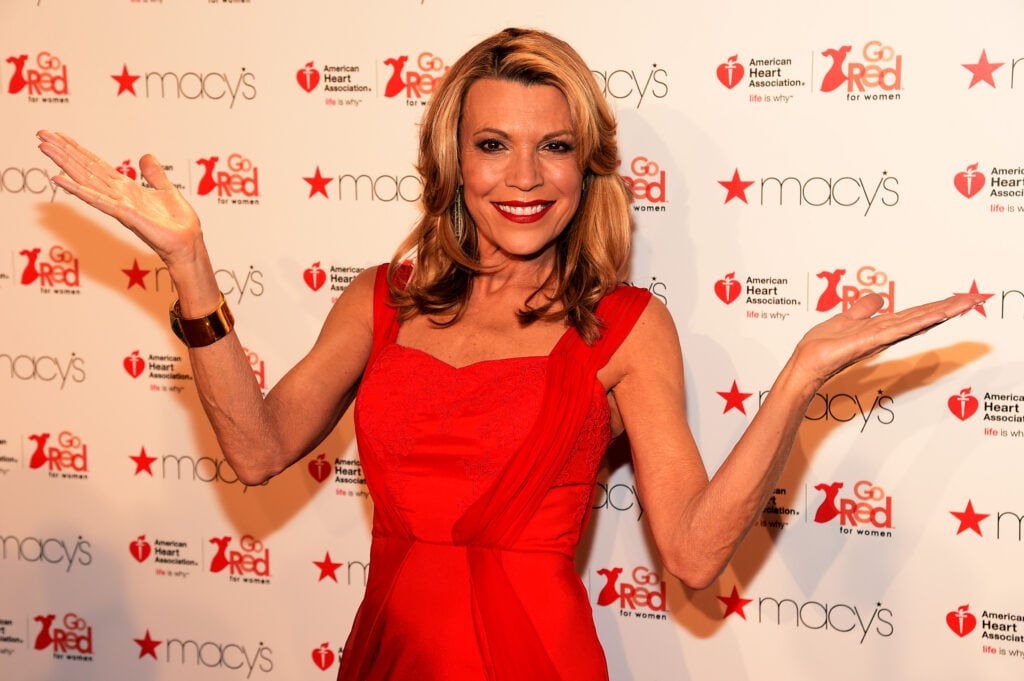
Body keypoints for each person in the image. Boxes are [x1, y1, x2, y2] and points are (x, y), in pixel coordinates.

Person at [37, 27, 981, 681]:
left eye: (554, 147)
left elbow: (693, 552)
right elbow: (254, 450)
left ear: (587, 166)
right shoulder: (382, 300)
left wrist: (800, 374)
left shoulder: (623, 325)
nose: (523, 178)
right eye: (493, 144)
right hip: (391, 650)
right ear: (454, 161)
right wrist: (193, 268)